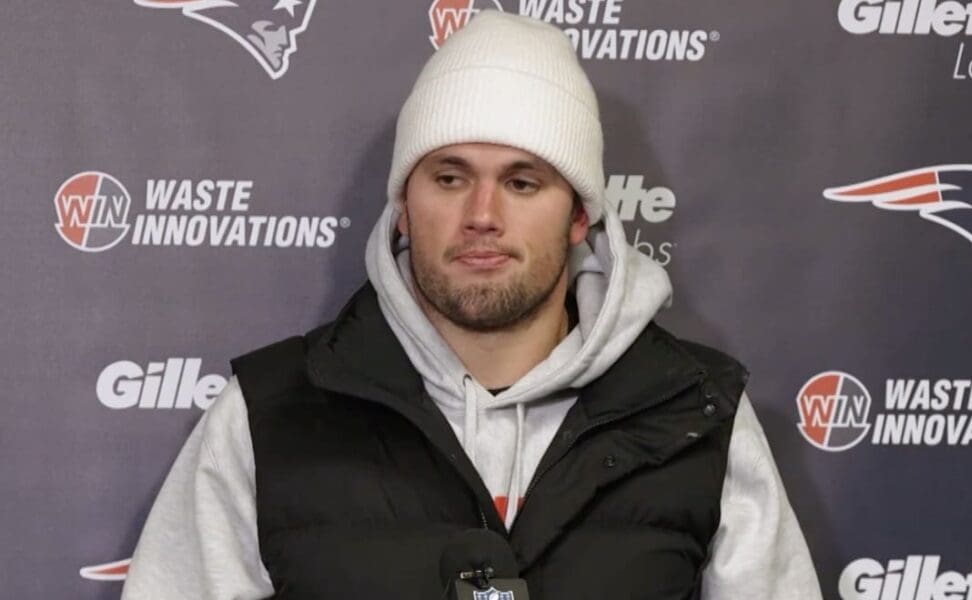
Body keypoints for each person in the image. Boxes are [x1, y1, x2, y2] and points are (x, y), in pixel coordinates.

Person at [123, 10, 822, 600]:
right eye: (450, 176)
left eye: (522, 183)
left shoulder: (697, 417)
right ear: (403, 207)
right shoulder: (269, 414)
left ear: (580, 217)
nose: (482, 215)